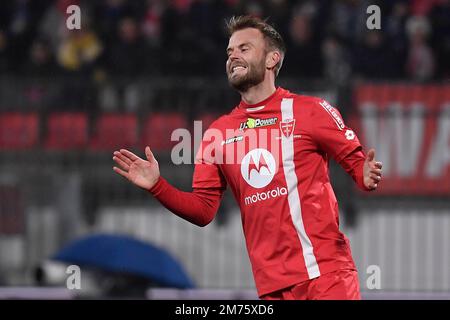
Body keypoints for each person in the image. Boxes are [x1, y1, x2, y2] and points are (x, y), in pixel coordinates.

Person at [112, 15, 383, 300]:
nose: (233, 57)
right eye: (230, 52)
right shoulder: (217, 133)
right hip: (271, 287)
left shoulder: (311, 110)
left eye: (244, 48)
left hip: (326, 276)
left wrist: (364, 175)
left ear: (271, 60)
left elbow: (357, 165)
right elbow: (203, 210)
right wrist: (158, 185)